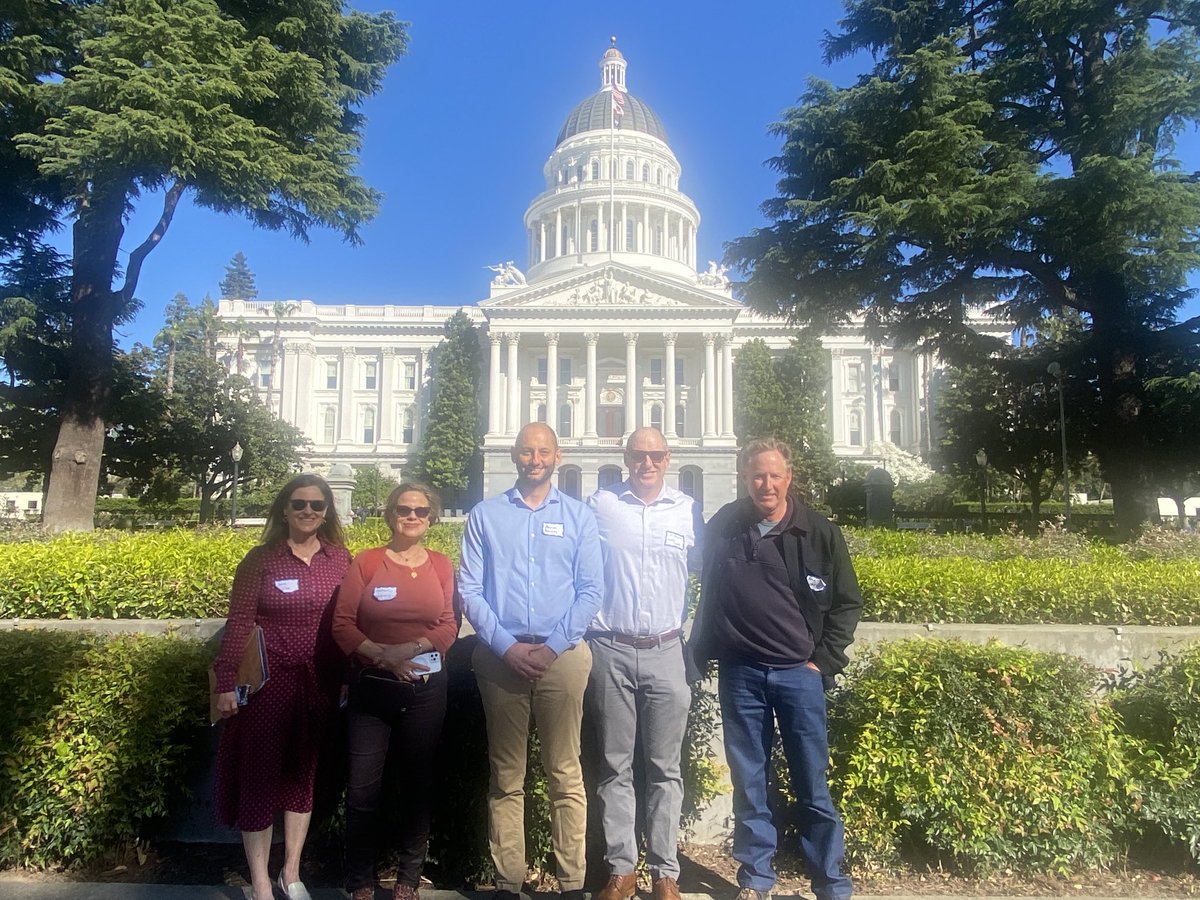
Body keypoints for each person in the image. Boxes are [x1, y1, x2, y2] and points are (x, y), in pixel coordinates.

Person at [689, 439, 862, 900]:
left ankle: (830, 881)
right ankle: (756, 879)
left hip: (798, 677)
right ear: (746, 478)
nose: (765, 484)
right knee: (750, 782)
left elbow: (847, 603)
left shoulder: (819, 532)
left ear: (789, 477)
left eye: (774, 475)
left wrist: (821, 662)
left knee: (812, 782)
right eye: (757, 476)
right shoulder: (727, 523)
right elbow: (694, 573)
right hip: (741, 673)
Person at [459, 422, 604, 900]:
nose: (534, 459)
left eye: (543, 451)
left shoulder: (580, 517)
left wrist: (552, 645)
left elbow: (591, 591)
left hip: (561, 658)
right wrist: (506, 646)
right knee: (506, 776)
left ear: (557, 456)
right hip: (502, 658)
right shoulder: (486, 515)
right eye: (526, 451)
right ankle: (508, 881)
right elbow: (470, 591)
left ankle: (571, 883)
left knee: (566, 772)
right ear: (515, 457)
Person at [213, 473, 351, 900]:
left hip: (319, 684)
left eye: (317, 505)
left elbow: (349, 624)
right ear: (284, 510)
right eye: (299, 504)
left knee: (302, 778)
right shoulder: (261, 560)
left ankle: (290, 872)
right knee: (258, 779)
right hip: (267, 687)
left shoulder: (341, 560)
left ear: (327, 512)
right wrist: (224, 683)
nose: (308, 511)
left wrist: (349, 678)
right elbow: (238, 625)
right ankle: (259, 883)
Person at [585, 428, 703, 900]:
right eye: (639, 454)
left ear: (668, 457)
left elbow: (708, 576)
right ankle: (621, 868)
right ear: (626, 456)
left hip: (667, 650)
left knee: (664, 769)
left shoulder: (687, 509)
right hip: (610, 647)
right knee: (614, 766)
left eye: (655, 455)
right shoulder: (601, 505)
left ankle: (664, 872)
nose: (647, 462)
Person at [332, 482, 459, 900]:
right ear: (390, 515)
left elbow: (447, 624)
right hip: (373, 687)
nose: (412, 516)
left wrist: (412, 648)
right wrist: (384, 656)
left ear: (431, 518)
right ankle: (359, 880)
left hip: (425, 687)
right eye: (404, 509)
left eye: (421, 511)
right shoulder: (366, 563)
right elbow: (343, 624)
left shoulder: (441, 565)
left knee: (418, 786)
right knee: (363, 789)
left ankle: (408, 878)